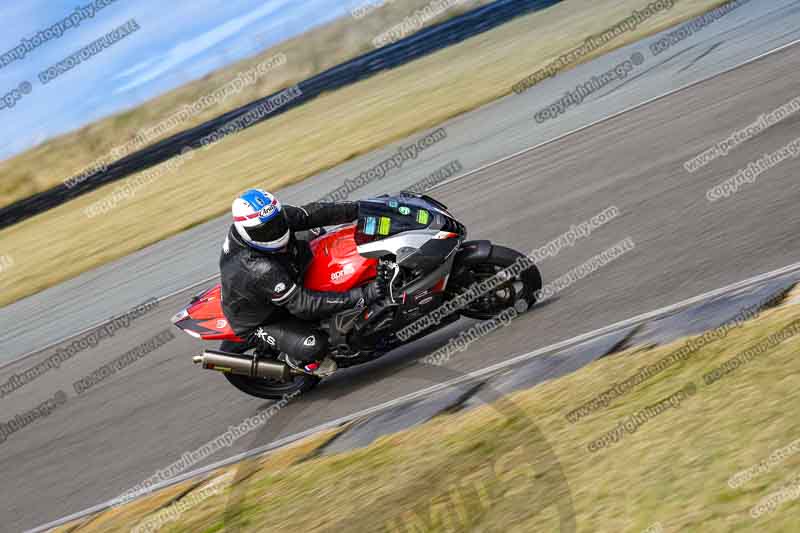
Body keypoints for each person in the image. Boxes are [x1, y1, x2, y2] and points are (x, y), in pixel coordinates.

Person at [219, 188, 385, 376]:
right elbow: (302, 305)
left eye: (277, 222)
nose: (275, 231)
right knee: (315, 346)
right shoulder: (258, 268)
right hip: (263, 318)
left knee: (315, 230)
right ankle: (297, 362)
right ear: (246, 232)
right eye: (266, 231)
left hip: (281, 272)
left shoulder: (272, 218)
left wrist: (364, 208)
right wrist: (363, 295)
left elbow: (316, 213)